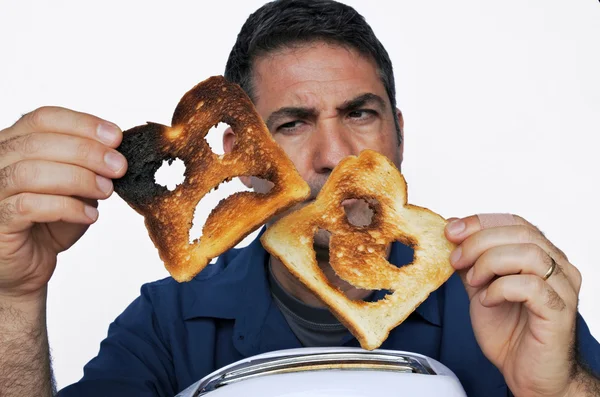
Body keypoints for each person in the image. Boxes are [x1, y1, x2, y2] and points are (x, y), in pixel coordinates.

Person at [0, 0, 599, 395]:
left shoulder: (503, 296)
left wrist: (562, 388)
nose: (335, 156)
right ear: (241, 155)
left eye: (360, 113)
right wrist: (14, 295)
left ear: (398, 133)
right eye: (292, 123)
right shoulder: (167, 323)